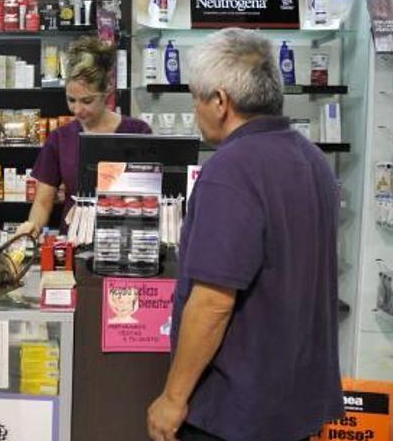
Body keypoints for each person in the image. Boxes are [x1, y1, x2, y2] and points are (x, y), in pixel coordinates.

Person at [146, 28, 343, 441]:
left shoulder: (232, 169)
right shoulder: (312, 159)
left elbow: (213, 302)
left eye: (196, 97)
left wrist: (173, 397)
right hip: (293, 404)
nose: (195, 109)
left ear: (220, 101)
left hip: (234, 412)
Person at [17, 36, 152, 236]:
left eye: (87, 100)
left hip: (128, 239)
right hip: (75, 241)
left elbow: (151, 196)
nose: (77, 109)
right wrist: (32, 228)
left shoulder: (138, 132)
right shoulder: (60, 139)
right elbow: (43, 202)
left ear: (108, 87)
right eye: (71, 100)